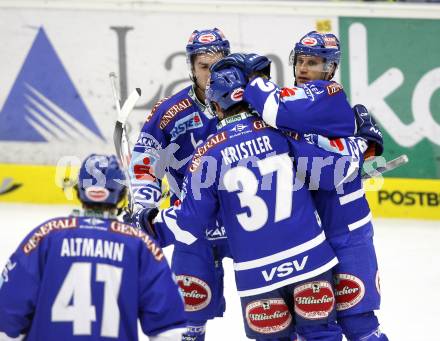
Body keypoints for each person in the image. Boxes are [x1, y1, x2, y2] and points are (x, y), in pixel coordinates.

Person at [148, 66, 371, 341]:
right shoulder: (282, 134)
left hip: (257, 275)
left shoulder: (206, 155)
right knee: (321, 335)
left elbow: (191, 221)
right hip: (310, 260)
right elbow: (331, 173)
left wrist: (149, 225)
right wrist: (363, 145)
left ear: (216, 106)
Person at [214, 31, 387, 341]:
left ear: (331, 70)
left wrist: (252, 78)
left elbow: (331, 168)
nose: (305, 69)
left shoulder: (325, 96)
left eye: (315, 63)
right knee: (307, 328)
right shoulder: (292, 104)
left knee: (359, 324)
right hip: (311, 237)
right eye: (301, 61)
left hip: (346, 230)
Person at [0, 154, 186, 341]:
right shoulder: (141, 246)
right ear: (121, 193)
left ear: (79, 189)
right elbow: (170, 331)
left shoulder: (45, 236)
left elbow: (7, 319)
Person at [129, 28, 232, 341]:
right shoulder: (168, 112)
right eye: (204, 66)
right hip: (192, 225)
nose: (211, 75)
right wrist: (144, 204)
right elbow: (144, 163)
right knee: (188, 321)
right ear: (191, 67)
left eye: (219, 65)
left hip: (246, 224)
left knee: (273, 316)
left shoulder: (252, 104)